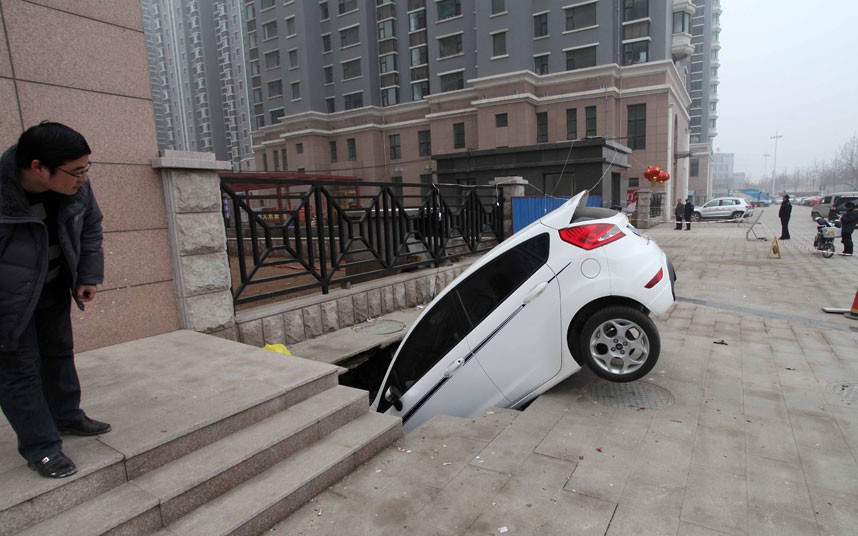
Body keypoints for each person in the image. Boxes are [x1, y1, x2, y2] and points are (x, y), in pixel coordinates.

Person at [0, 122, 110, 479]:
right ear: (38, 167)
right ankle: (41, 448)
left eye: (86, 169)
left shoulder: (75, 187)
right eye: (76, 171)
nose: (83, 178)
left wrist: (86, 275)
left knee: (59, 353)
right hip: (8, 302)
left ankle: (67, 416)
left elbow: (91, 226)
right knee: (19, 371)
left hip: (51, 286)